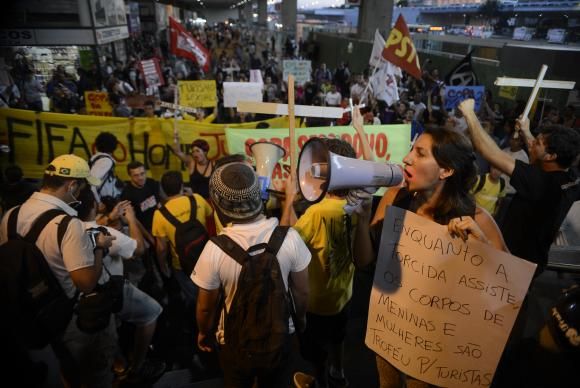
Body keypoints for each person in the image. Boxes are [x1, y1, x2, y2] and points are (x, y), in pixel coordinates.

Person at [352, 127, 508, 388]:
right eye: (412, 149)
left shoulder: (477, 218)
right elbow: (366, 262)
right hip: (390, 330)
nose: (407, 158)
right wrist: (361, 219)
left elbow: (509, 289)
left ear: (446, 171)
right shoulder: (394, 198)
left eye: (419, 153)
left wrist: (480, 245)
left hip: (435, 344)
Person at [0, 154, 117, 387]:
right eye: (82, 187)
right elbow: (85, 283)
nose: (83, 193)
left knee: (66, 374)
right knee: (95, 375)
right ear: (72, 185)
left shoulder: (10, 215)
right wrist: (98, 247)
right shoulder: (68, 224)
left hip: (31, 316)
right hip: (70, 322)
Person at [193, 162, 311, 388]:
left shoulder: (214, 249)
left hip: (235, 343)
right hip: (281, 336)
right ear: (259, 195)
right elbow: (302, 291)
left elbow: (206, 307)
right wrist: (301, 320)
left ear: (216, 204)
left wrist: (203, 332)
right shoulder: (290, 238)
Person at [458, 99, 580, 276]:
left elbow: (491, 153)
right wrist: (525, 131)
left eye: (537, 143)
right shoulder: (572, 179)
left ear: (551, 156)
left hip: (512, 264)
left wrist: (469, 114)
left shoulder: (539, 181)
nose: (531, 144)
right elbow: (539, 153)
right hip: (533, 263)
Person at [281, 138, 357, 388]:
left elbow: (286, 244)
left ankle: (321, 379)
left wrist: (288, 201)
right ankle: (340, 372)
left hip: (315, 302)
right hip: (343, 295)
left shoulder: (317, 213)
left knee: (315, 350)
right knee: (338, 337)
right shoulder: (358, 203)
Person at [76, 186, 166, 384]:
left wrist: (110, 216)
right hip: (110, 291)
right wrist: (132, 219)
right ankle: (137, 366)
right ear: (93, 206)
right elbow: (139, 248)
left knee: (109, 332)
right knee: (151, 313)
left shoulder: (68, 229)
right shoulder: (103, 232)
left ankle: (120, 364)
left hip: (82, 301)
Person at [120, 161, 162, 233]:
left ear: (145, 172)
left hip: (158, 224)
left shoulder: (152, 183)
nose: (140, 178)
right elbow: (128, 219)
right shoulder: (126, 194)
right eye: (136, 175)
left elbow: (159, 204)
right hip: (143, 230)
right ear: (130, 176)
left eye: (142, 174)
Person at [90, 132, 123, 204]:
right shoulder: (106, 161)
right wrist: (99, 203)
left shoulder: (97, 159)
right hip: (104, 202)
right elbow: (91, 183)